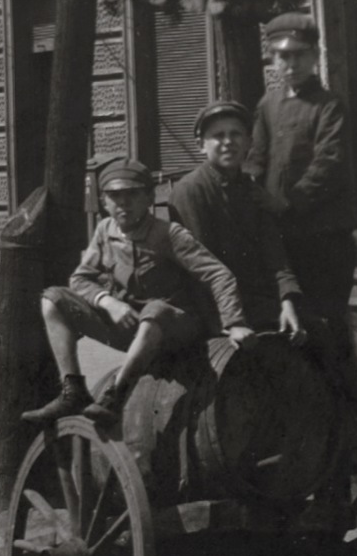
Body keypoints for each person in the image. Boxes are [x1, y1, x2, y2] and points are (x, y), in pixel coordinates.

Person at [37, 160, 251, 430]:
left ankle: (116, 395)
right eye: (115, 196)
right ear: (104, 202)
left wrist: (235, 323)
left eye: (133, 194)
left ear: (150, 198)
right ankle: (73, 390)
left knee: (155, 311)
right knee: (52, 299)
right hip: (133, 327)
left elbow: (218, 274)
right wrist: (108, 301)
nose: (123, 203)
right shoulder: (105, 230)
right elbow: (80, 278)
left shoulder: (169, 235)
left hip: (175, 328)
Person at [244, 12, 357, 348]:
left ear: (314, 56)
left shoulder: (328, 105)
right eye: (283, 56)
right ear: (273, 59)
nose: (291, 64)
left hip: (323, 238)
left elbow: (329, 163)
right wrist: (249, 189)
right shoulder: (268, 104)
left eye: (299, 55)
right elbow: (256, 156)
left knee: (325, 326)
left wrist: (289, 202)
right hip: (282, 238)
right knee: (288, 327)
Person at [168, 101, 306, 336]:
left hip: (259, 303)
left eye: (236, 134)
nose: (228, 142)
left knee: (318, 337)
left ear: (249, 143)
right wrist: (231, 324)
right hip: (216, 311)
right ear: (201, 145)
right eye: (218, 136)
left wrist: (287, 303)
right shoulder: (190, 191)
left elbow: (275, 256)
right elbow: (202, 270)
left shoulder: (252, 190)